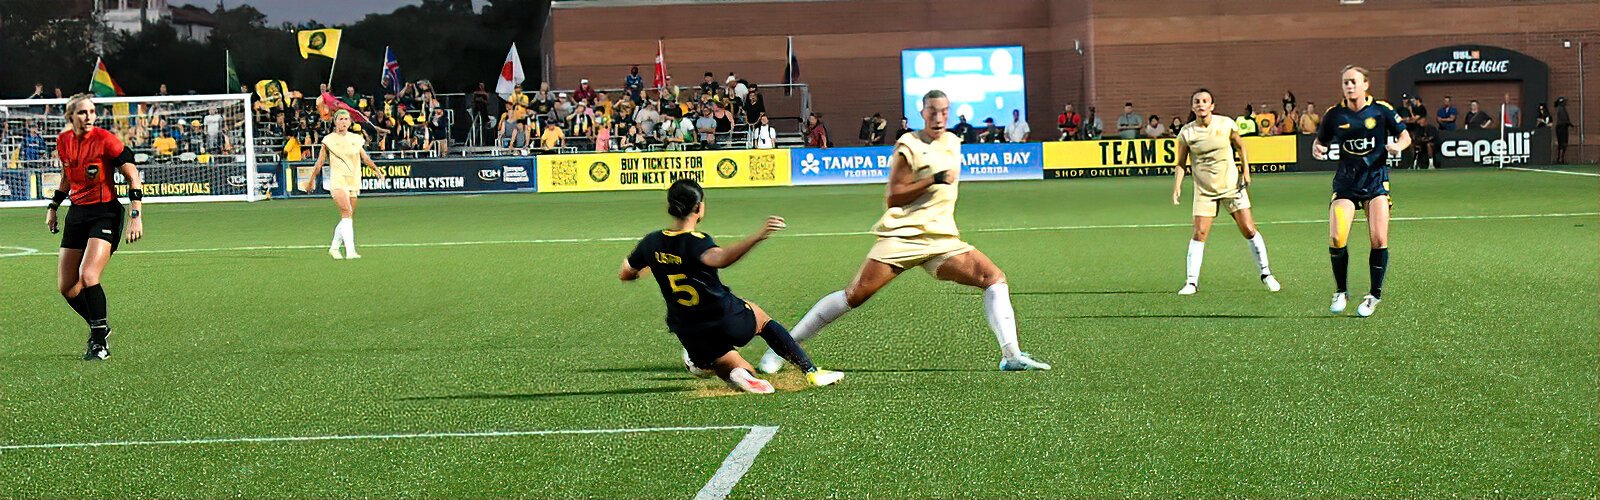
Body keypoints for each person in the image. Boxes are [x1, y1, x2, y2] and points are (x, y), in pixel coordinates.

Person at [756, 90, 1051, 374]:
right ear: (922, 113)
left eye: (944, 112)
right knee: (854, 295)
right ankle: (780, 350)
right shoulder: (908, 145)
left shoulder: (952, 141)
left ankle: (1011, 355)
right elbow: (894, 196)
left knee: (993, 279)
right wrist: (932, 179)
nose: (938, 117)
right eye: (932, 112)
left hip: (941, 239)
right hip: (903, 237)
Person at [620, 179, 844, 393]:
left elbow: (626, 273)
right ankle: (811, 371)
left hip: (688, 330)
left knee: (732, 365)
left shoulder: (651, 242)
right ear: (699, 207)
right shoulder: (697, 241)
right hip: (723, 318)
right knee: (761, 319)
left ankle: (737, 374)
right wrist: (757, 236)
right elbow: (721, 258)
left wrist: (654, 265)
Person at [45, 94, 147, 361]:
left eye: (91, 112)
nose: (88, 117)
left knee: (88, 275)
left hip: (105, 213)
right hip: (77, 214)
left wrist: (136, 215)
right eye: (82, 113)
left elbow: (132, 174)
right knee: (67, 287)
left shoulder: (106, 141)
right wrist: (53, 206)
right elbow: (68, 176)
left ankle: (99, 343)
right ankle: (99, 325)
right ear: (71, 117)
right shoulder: (63, 141)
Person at [1312, 65, 1411, 317]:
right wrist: (1318, 149)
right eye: (1345, 82)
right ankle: (1341, 291)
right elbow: (1320, 141)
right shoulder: (1334, 115)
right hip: (1346, 183)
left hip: (1376, 181)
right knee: (1337, 237)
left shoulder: (1381, 110)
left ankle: (1374, 296)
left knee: (1378, 238)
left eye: (1354, 81)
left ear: (1366, 84)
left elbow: (1405, 137)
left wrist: (1398, 146)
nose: (1349, 86)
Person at [1170, 89, 1279, 295]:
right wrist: (1177, 187)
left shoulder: (1226, 124)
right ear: (1193, 107)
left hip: (1231, 185)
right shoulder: (1187, 132)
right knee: (1199, 233)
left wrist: (1246, 170)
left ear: (1212, 105)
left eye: (1205, 101)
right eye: (1197, 102)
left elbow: (1240, 146)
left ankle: (1266, 274)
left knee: (1248, 228)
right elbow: (1180, 163)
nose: (1201, 105)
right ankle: (1191, 282)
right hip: (1204, 190)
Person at [302, 110, 387, 260]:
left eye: (346, 119)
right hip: (338, 181)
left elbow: (365, 158)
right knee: (346, 212)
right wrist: (310, 180)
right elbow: (320, 162)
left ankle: (334, 248)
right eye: (341, 119)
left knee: (347, 217)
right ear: (335, 122)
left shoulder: (356, 138)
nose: (344, 122)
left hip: (353, 180)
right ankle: (351, 251)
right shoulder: (328, 140)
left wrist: (377, 170)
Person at [1555, 97, 1572, 164]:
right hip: (1562, 127)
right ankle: (1560, 159)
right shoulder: (1561, 109)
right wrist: (1570, 124)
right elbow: (1564, 119)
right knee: (1563, 143)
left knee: (1561, 143)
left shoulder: (1560, 109)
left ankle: (1560, 158)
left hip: (1561, 127)